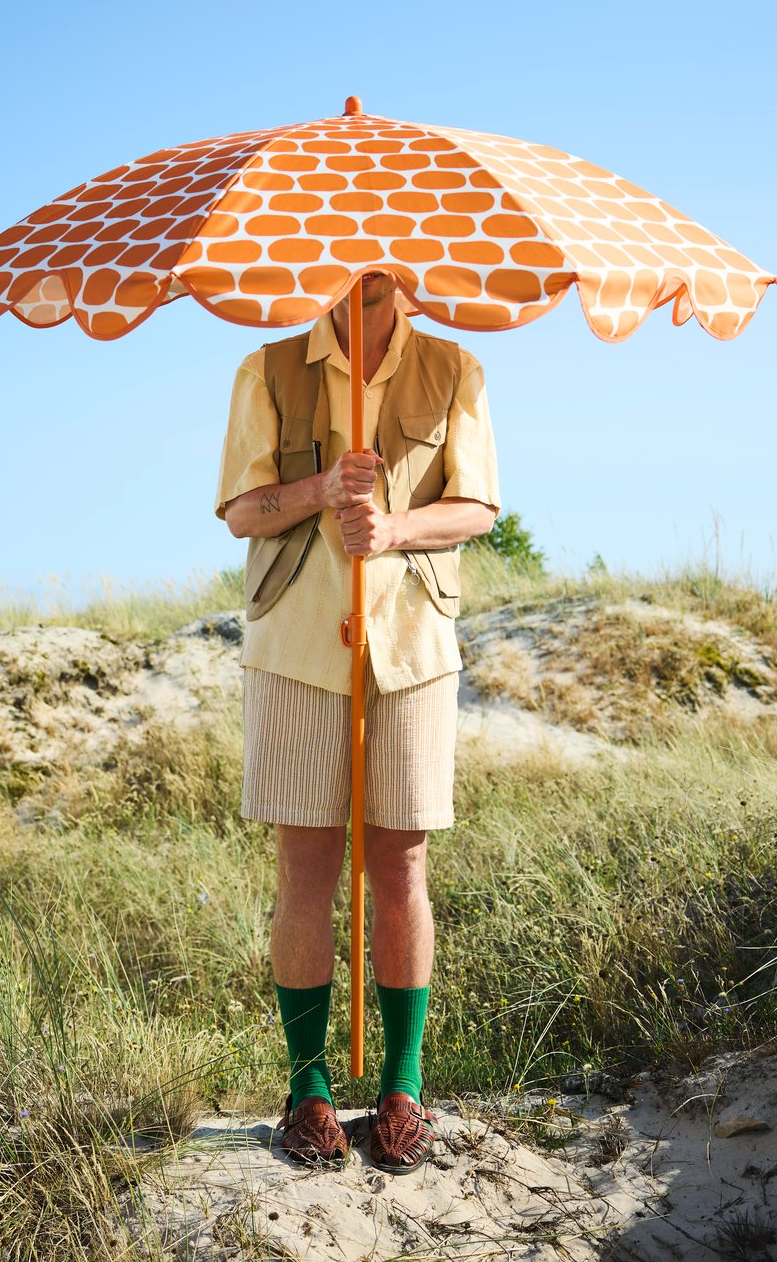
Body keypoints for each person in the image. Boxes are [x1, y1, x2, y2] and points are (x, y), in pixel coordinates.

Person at [214, 269, 501, 1173]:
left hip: (413, 649)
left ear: (407, 263)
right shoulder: (267, 367)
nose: (361, 281)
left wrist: (393, 528)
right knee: (305, 864)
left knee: (402, 861)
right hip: (298, 646)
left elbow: (479, 507)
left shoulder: (455, 368)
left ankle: (403, 1091)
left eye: (377, 270)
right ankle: (307, 1092)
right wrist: (320, 490)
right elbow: (239, 510)